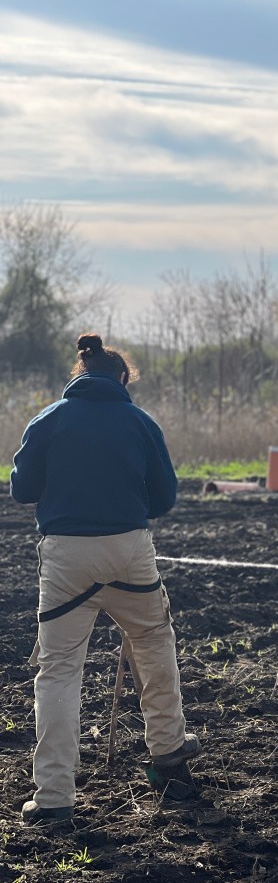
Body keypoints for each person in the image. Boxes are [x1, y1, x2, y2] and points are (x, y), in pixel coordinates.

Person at [10, 333, 200, 824]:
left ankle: (53, 797)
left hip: (67, 557)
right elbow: (164, 498)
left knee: (58, 671)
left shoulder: (47, 420)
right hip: (129, 551)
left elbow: (23, 490)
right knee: (154, 643)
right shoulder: (140, 422)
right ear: (122, 379)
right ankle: (169, 756)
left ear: (78, 373)